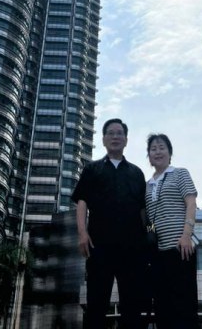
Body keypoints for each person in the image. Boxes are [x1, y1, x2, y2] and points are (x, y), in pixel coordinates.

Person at [71, 118, 147, 329]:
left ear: (126, 140)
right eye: (111, 133)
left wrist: (150, 234)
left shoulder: (137, 173)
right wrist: (82, 233)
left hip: (132, 249)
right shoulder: (92, 169)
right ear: (104, 139)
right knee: (96, 303)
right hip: (99, 247)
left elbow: (144, 212)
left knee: (132, 305)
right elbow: (82, 201)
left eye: (119, 133)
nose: (115, 137)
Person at [146, 133, 198, 329]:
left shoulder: (180, 173)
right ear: (149, 156)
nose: (157, 152)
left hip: (180, 248)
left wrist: (186, 235)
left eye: (162, 147)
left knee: (184, 304)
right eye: (153, 149)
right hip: (158, 254)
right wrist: (150, 236)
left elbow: (191, 203)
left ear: (170, 152)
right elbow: (148, 218)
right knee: (162, 305)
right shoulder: (147, 185)